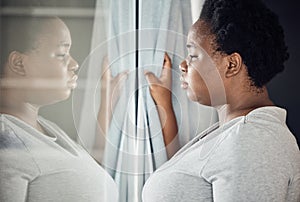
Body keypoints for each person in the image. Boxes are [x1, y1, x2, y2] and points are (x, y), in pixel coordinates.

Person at [142, 0, 300, 201]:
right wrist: (164, 104)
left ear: (232, 65)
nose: (182, 64)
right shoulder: (236, 131)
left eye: (193, 55)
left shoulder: (252, 139)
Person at [0, 16, 118, 202]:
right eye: (62, 54)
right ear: (18, 64)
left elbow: (83, 177)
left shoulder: (43, 128)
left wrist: (107, 103)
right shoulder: (6, 142)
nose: (75, 64)